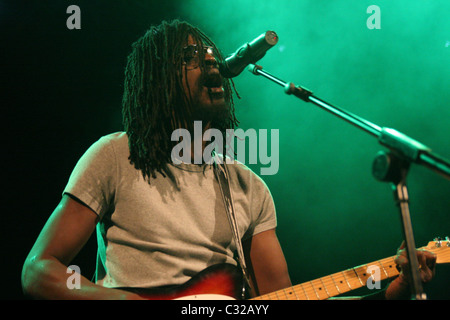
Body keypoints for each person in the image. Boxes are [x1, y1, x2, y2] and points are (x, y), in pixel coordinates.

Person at [21, 20, 436, 300]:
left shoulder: (247, 185)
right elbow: (39, 270)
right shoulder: (114, 155)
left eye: (210, 55)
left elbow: (280, 299)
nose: (209, 62)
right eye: (190, 58)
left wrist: (393, 288)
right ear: (158, 81)